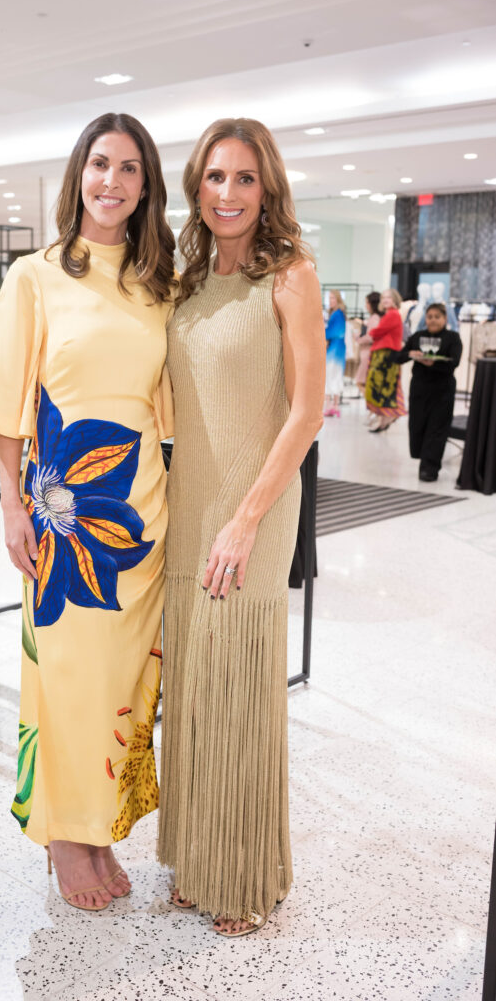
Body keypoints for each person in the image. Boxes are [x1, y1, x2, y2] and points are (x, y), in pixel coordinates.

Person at [0, 113, 176, 912]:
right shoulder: (36, 275)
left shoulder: (160, 283)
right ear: (77, 176)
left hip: (140, 517)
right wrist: (12, 502)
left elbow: (170, 406)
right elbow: (7, 399)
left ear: (146, 184)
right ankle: (65, 836)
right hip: (61, 517)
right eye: (98, 165)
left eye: (127, 168)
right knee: (68, 681)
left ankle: (98, 826)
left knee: (121, 682)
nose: (111, 182)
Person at [158, 118, 325, 937]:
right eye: (215, 177)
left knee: (236, 687)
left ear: (268, 189)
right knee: (192, 686)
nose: (228, 194)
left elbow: (305, 414)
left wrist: (245, 521)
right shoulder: (187, 281)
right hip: (187, 506)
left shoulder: (290, 275)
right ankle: (197, 857)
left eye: (245, 179)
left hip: (252, 510)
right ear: (196, 187)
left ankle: (244, 872)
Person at [390, 302, 462, 481]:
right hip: (420, 390)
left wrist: (433, 364)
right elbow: (397, 357)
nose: (433, 320)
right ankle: (423, 460)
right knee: (418, 425)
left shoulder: (453, 337)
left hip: (442, 390)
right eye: (430, 317)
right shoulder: (418, 336)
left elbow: (454, 362)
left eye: (437, 317)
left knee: (437, 428)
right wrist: (411, 355)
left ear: (445, 319)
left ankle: (430, 468)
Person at [360, 288, 407, 432]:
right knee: (381, 387)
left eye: (389, 298)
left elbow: (378, 331)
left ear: (395, 300)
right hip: (382, 353)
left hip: (386, 355)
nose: (386, 300)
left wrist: (370, 333)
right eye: (384, 298)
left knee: (383, 387)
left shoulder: (392, 314)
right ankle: (384, 419)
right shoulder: (390, 314)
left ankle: (386, 418)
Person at [354, 291, 382, 415]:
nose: (366, 305)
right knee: (366, 383)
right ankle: (373, 409)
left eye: (367, 302)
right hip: (368, 354)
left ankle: (375, 409)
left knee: (361, 382)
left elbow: (371, 336)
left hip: (368, 354)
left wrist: (358, 339)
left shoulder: (374, 318)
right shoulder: (375, 318)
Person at [324, 290, 346, 416]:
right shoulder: (338, 313)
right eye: (329, 298)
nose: (331, 300)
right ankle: (334, 406)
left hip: (334, 349)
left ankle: (330, 405)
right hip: (338, 348)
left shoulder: (337, 314)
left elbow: (337, 332)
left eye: (333, 298)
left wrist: (323, 332)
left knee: (330, 375)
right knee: (335, 375)